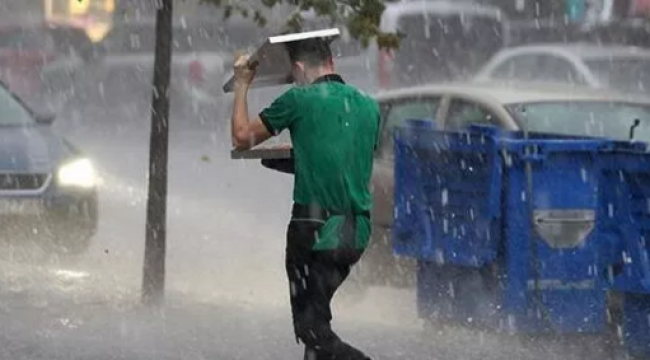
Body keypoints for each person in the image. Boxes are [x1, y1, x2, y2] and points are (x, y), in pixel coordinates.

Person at [229, 36, 381, 360]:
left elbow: (242, 136)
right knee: (316, 327)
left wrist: (243, 83)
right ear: (332, 63)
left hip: (314, 228)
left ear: (298, 69)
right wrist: (301, 157)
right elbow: (342, 162)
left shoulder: (299, 99)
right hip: (356, 233)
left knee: (311, 329)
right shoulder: (369, 106)